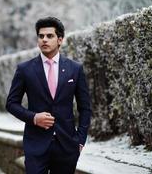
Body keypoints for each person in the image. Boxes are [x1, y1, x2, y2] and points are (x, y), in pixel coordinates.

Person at [6, 17, 92, 174]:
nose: (44, 40)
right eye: (41, 36)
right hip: (35, 145)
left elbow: (85, 108)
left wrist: (80, 140)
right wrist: (33, 118)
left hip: (66, 145)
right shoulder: (25, 69)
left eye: (49, 36)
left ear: (60, 40)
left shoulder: (75, 69)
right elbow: (11, 103)